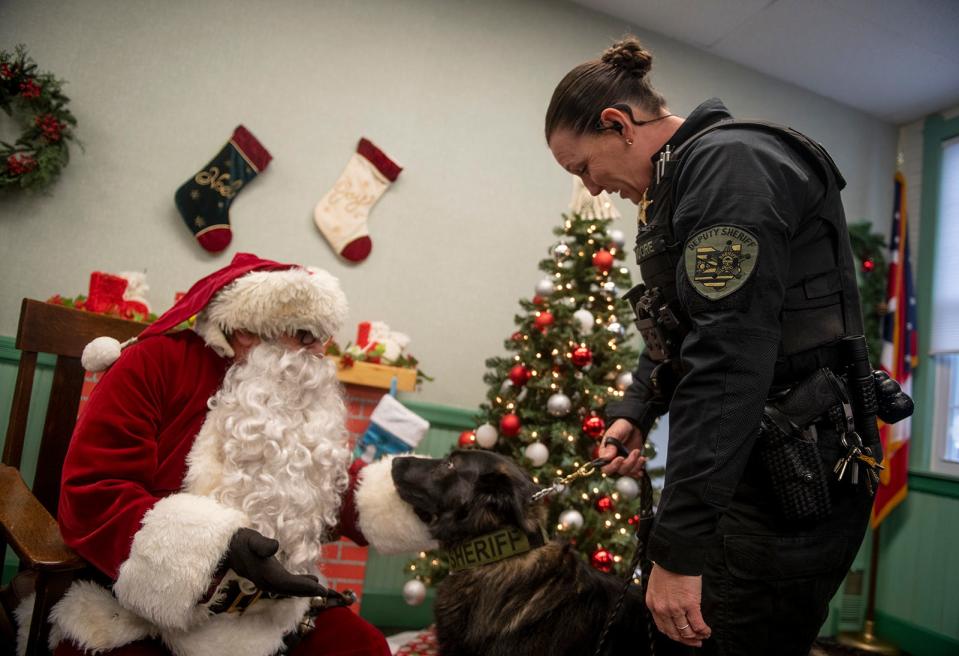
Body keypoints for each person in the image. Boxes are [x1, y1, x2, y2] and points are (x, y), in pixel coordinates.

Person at [545, 36, 883, 655]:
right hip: (752, 471)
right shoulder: (683, 181)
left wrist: (678, 551)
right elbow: (686, 330)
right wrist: (635, 411)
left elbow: (728, 364)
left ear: (617, 124)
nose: (591, 188)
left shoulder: (729, 169)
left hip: (791, 482)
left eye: (581, 167)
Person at [31, 253, 435, 656]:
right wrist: (221, 552)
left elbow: (326, 481)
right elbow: (94, 491)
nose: (316, 355)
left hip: (271, 611)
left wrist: (407, 496)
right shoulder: (154, 365)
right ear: (245, 331)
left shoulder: (293, 390)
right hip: (147, 606)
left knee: (362, 646)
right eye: (304, 336)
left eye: (322, 338)